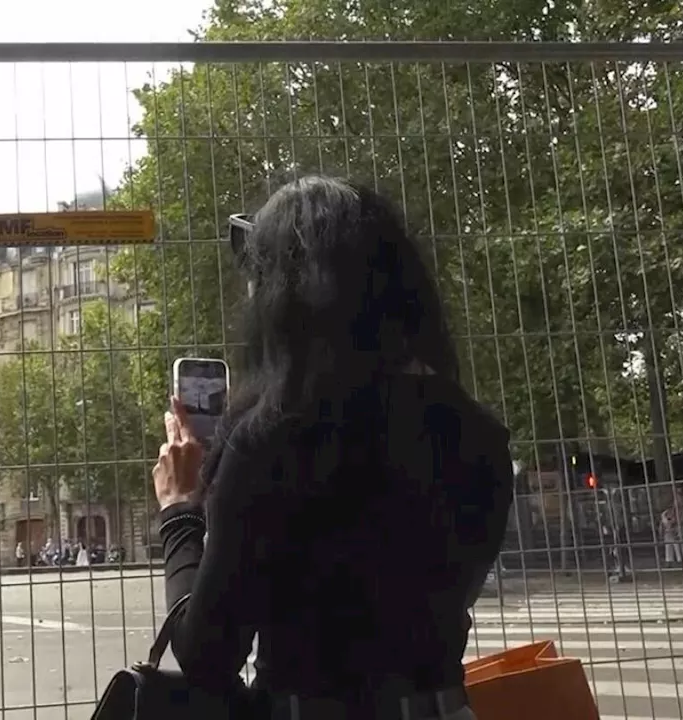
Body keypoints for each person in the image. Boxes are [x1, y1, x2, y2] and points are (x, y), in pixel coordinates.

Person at [151, 176, 512, 720]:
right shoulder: (479, 435)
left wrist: (181, 510)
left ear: (284, 296)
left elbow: (206, 654)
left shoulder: (269, 441)